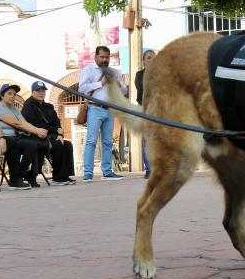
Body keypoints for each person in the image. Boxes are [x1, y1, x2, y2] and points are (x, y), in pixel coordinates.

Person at [79, 45, 127, 181]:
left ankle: (107, 172)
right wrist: (100, 83)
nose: (105, 60)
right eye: (102, 57)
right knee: (91, 141)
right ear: (95, 57)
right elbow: (82, 89)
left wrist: (118, 84)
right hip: (94, 108)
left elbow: (124, 91)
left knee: (107, 142)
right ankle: (88, 173)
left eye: (107, 57)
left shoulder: (114, 72)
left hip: (109, 110)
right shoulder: (88, 70)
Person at [0, 83, 47, 190]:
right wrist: (37, 131)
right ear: (2, 96)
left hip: (14, 138)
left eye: (14, 94)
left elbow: (24, 123)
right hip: (1, 139)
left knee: (33, 144)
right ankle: (15, 180)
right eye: (9, 94)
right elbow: (17, 124)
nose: (13, 96)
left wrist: (38, 130)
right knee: (15, 143)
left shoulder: (14, 109)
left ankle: (21, 175)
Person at [21, 81, 76, 186]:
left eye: (43, 91)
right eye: (38, 91)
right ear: (32, 92)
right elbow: (36, 124)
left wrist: (60, 134)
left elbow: (57, 121)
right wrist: (55, 130)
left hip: (52, 135)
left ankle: (65, 175)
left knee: (67, 144)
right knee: (57, 145)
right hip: (37, 136)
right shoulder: (28, 106)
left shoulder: (49, 107)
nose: (41, 93)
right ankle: (58, 178)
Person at [135, 48, 155, 178]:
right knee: (147, 140)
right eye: (149, 58)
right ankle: (149, 169)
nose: (152, 60)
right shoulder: (140, 75)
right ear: (143, 61)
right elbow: (142, 91)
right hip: (145, 109)